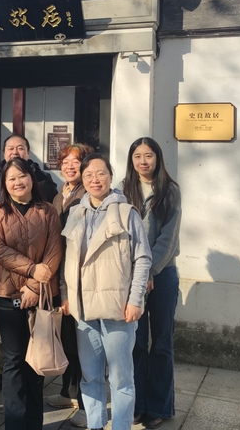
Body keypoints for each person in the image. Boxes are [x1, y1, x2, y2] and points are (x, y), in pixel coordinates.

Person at [60, 153, 152, 430]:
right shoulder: (76, 213)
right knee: (90, 375)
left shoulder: (126, 213)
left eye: (101, 173)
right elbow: (67, 259)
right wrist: (66, 295)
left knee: (121, 378)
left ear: (111, 177)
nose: (95, 179)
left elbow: (142, 258)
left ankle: (121, 425)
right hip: (84, 308)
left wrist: (136, 299)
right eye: (88, 175)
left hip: (117, 307)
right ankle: (96, 424)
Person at [0, 158, 62, 430]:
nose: (18, 182)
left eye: (22, 176)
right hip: (9, 296)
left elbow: (55, 250)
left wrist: (33, 286)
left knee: (37, 362)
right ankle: (15, 424)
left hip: (42, 296)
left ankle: (34, 424)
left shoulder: (48, 211)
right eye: (11, 178)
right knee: (14, 361)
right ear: (5, 184)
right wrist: (31, 270)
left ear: (32, 178)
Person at [123, 138, 181, 429]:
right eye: (137, 156)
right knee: (134, 343)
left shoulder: (169, 190)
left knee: (161, 343)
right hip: (131, 276)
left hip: (163, 274)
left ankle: (159, 405)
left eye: (148, 156)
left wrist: (149, 272)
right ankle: (137, 404)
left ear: (157, 158)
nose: (143, 161)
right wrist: (137, 273)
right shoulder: (123, 189)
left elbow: (168, 239)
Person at [47, 143, 94, 428]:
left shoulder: (88, 196)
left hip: (80, 279)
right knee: (68, 337)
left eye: (75, 161)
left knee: (83, 343)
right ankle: (68, 391)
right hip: (61, 275)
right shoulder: (59, 194)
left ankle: (88, 405)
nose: (69, 166)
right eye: (65, 161)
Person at [0, 134, 58, 207]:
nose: (15, 152)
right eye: (11, 148)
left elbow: (52, 207)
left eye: (20, 148)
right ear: (4, 153)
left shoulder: (43, 178)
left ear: (28, 153)